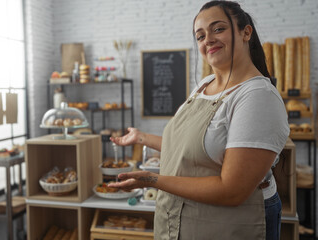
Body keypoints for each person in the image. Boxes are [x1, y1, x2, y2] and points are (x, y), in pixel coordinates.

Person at [109, 1, 290, 239]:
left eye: (218, 29)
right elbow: (192, 148)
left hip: (231, 224)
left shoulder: (257, 96)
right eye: (200, 35)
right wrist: (141, 137)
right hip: (185, 218)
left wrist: (152, 180)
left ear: (246, 32)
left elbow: (232, 191)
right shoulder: (204, 85)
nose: (208, 40)